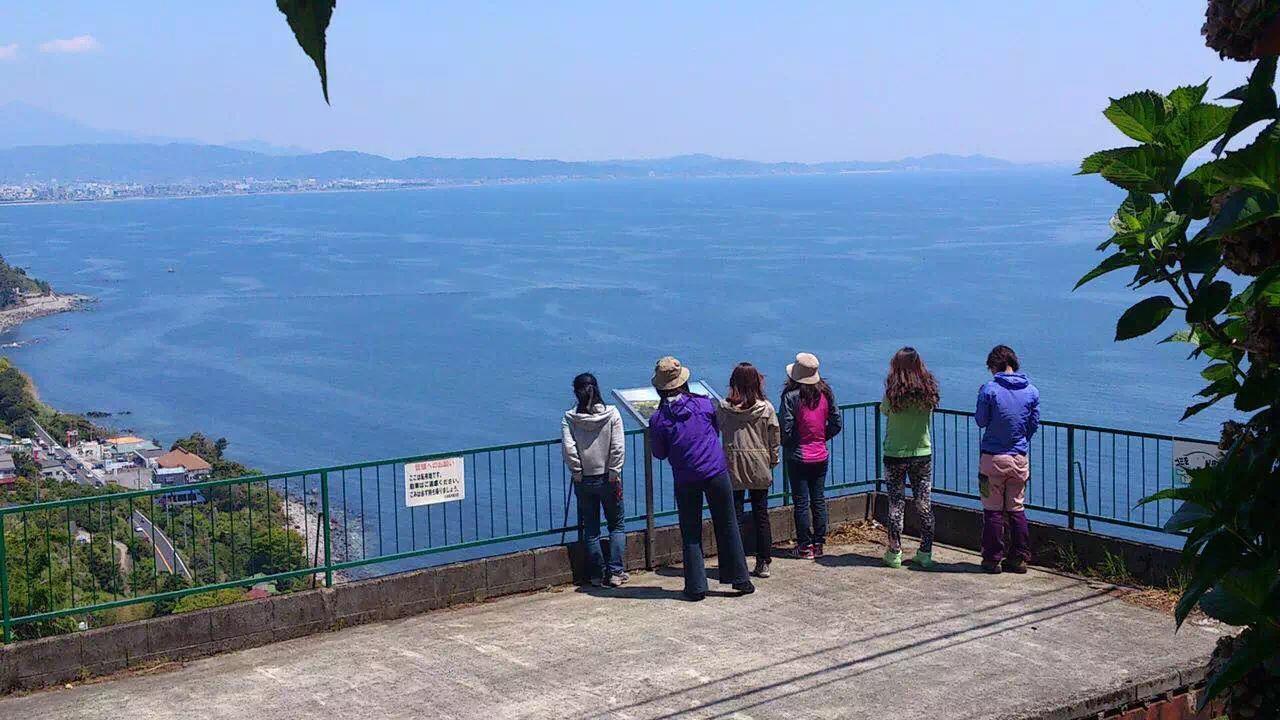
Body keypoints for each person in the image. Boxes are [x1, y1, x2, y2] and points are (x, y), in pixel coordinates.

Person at [648, 356, 754, 600]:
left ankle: (696, 586)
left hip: (685, 477)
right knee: (727, 523)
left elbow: (659, 453)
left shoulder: (659, 420)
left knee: (691, 530)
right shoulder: (704, 404)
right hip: (715, 471)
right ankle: (739, 578)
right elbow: (715, 428)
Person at [974, 345, 1040, 575]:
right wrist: (1020, 441)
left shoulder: (989, 390)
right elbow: (1033, 424)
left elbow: (981, 421)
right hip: (1019, 458)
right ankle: (1019, 558)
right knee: (1016, 509)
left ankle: (993, 559)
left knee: (992, 510)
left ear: (994, 365)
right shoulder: (1031, 391)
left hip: (993, 457)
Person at [561, 372, 628, 587]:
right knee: (616, 525)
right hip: (609, 478)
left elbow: (569, 449)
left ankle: (597, 575)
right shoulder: (612, 414)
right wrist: (614, 472)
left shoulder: (569, 418)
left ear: (576, 392)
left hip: (585, 480)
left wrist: (578, 472)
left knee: (591, 528)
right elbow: (618, 447)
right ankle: (616, 573)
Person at [717, 362, 781, 579]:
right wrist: (773, 460)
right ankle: (763, 562)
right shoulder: (767, 409)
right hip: (759, 464)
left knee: (733, 516)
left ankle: (735, 562)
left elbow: (715, 428)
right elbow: (774, 439)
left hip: (732, 463)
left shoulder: (724, 409)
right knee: (761, 514)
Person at [779, 352, 842, 559]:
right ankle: (819, 544)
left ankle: (804, 546)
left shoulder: (790, 397)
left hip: (798, 456)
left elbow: (785, 429)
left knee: (801, 502)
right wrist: (821, 437)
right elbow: (836, 423)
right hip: (820, 455)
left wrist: (790, 443)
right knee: (818, 500)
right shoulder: (826, 394)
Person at [880, 347, 938, 570]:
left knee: (896, 503)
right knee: (924, 503)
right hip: (922, 453)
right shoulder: (928, 391)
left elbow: (884, 411)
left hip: (895, 453)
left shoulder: (892, 393)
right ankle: (925, 552)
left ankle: (894, 551)